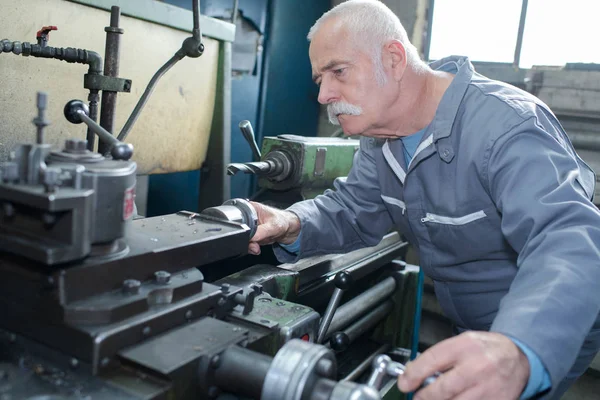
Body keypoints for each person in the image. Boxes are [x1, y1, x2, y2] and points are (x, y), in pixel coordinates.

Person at [247, 0, 600, 399]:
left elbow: (568, 239)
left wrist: (519, 349)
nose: (324, 95)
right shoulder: (381, 140)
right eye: (319, 80)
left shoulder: (508, 125)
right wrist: (290, 223)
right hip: (473, 330)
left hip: (538, 332)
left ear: (394, 58)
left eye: (338, 72)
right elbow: (352, 210)